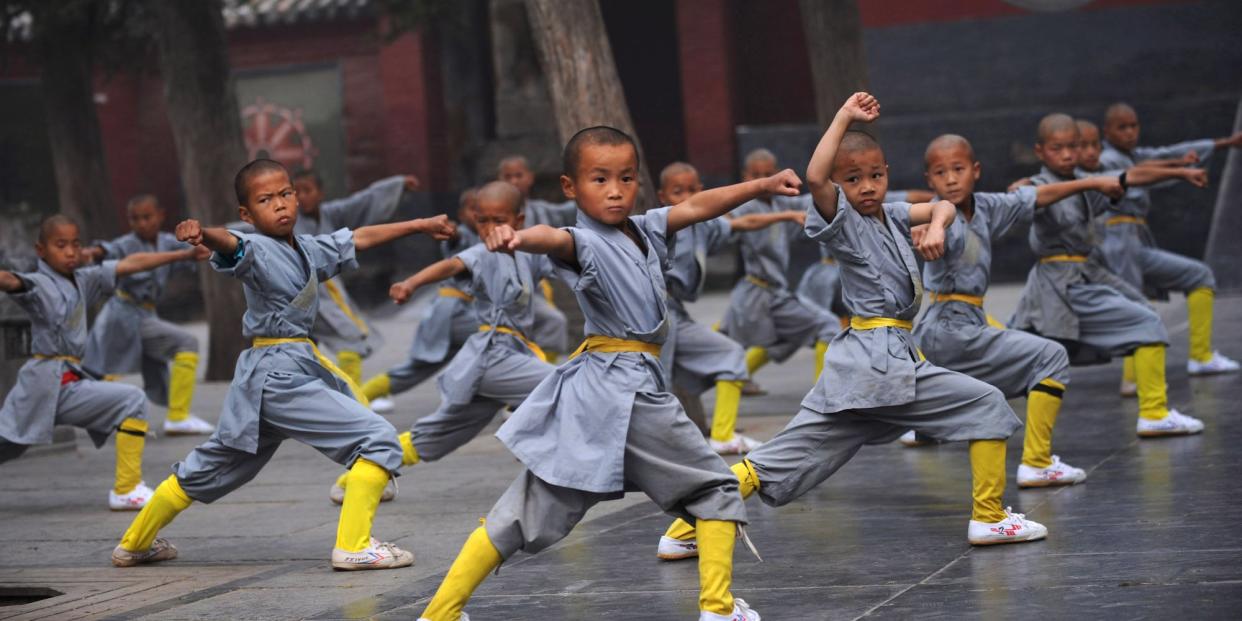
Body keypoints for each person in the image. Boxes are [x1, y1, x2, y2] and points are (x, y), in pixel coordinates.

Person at [415, 127, 804, 621]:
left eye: (625, 177)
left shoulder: (644, 229)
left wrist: (761, 186)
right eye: (600, 179)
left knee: (523, 511)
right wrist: (516, 237)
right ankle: (719, 610)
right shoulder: (583, 241)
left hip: (598, 398)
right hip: (627, 391)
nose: (615, 189)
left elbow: (700, 206)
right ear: (571, 188)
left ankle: (439, 613)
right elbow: (550, 238)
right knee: (716, 490)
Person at [657, 94, 1045, 564]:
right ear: (838, 187)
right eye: (853, 179)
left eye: (876, 176)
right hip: (877, 361)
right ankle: (987, 515)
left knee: (781, 458)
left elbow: (941, 205)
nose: (867, 187)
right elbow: (816, 176)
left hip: (875, 368)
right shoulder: (841, 220)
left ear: (887, 173)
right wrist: (843, 117)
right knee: (985, 402)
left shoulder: (891, 215)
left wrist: (939, 226)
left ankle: (683, 529)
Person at [109, 159, 454, 570]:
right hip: (277, 375)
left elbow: (358, 238)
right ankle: (354, 545)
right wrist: (203, 233)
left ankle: (134, 543)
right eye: (265, 199)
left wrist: (418, 224)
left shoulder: (306, 248)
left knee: (214, 466)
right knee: (378, 437)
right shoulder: (255, 247)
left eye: (286, 194)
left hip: (275, 377)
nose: (280, 205)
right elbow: (231, 244)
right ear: (247, 213)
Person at [908, 133, 1129, 486]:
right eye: (940, 172)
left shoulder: (988, 208)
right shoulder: (937, 218)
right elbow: (924, 229)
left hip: (960, 329)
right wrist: (925, 234)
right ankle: (1037, 462)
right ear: (928, 180)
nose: (950, 179)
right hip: (948, 330)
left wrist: (1094, 182)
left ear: (975, 171)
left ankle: (924, 421)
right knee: (1051, 357)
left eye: (958, 169)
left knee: (985, 389)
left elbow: (1040, 195)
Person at [330, 181, 556, 503]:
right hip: (494, 356)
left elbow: (563, 251)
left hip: (508, 358)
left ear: (519, 220)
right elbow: (452, 265)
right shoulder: (483, 252)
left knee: (440, 435)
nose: (491, 228)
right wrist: (411, 282)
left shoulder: (527, 253)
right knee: (559, 384)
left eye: (500, 219)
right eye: (483, 220)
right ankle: (557, 466)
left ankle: (359, 474)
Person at [1009, 113, 1209, 437]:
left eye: (1072, 147)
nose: (1067, 154)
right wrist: (1024, 188)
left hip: (1085, 275)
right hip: (1058, 285)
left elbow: (1131, 175)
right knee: (1011, 357)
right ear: (1040, 151)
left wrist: (1182, 171)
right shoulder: (1040, 186)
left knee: (1144, 317)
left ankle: (1153, 409)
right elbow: (1025, 196)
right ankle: (1154, 411)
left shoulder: (1084, 185)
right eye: (1057, 148)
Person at [1, 215, 206, 510]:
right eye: (61, 245)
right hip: (43, 383)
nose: (71, 252)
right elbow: (9, 280)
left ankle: (127, 487)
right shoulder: (38, 283)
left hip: (69, 382)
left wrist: (184, 254)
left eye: (75, 244)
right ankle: (126, 490)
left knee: (129, 401)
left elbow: (130, 263)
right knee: (10, 445)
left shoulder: (84, 279)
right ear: (41, 250)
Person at [657, 161, 806, 455]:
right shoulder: (660, 223)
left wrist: (787, 215)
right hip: (653, 311)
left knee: (730, 354)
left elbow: (743, 224)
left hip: (676, 313)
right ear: (662, 196)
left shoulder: (704, 224)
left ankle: (723, 435)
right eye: (677, 192)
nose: (685, 197)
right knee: (655, 383)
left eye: (691, 190)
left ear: (701, 191)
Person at [1093, 103, 1242, 385]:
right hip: (1116, 243)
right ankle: (1133, 378)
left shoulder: (1132, 155)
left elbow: (1166, 153)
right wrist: (1180, 169)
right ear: (1107, 131)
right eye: (1122, 127)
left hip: (1134, 242)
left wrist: (1225, 144)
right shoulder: (1109, 159)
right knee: (1132, 306)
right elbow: (1139, 172)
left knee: (1197, 277)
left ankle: (1199, 356)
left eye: (1133, 126)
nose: (1129, 132)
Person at [82, 194, 214, 435]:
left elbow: (198, 245)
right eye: (135, 219)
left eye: (147, 217)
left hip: (145, 314)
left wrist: (217, 241)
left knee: (117, 370)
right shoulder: (127, 244)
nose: (141, 223)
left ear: (160, 215)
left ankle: (169, 416)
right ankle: (176, 416)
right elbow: (108, 249)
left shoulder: (167, 241)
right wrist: (95, 252)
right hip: (122, 315)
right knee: (185, 343)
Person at [291, 168, 421, 385]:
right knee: (346, 339)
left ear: (320, 193)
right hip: (300, 297)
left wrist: (396, 184)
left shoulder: (332, 214)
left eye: (307, 190)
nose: (302, 197)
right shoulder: (286, 222)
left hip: (328, 294)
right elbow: (250, 231)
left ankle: (348, 398)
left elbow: (362, 201)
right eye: (296, 192)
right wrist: (220, 238)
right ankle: (350, 400)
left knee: (319, 348)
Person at [360, 189, 482, 414]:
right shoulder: (462, 236)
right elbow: (456, 239)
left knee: (417, 369)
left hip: (463, 313)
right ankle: (514, 399)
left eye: (481, 210)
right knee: (496, 339)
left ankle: (363, 395)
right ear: (461, 213)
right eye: (472, 209)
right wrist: (451, 232)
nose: (477, 215)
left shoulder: (489, 236)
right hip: (452, 313)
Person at [719, 149, 835, 385]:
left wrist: (836, 184)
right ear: (745, 176)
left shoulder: (781, 201)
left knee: (804, 331)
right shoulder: (745, 207)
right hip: (755, 293)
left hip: (778, 293)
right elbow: (733, 221)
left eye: (767, 174)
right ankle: (736, 378)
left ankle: (739, 376)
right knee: (724, 352)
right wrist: (786, 216)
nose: (763, 179)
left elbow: (814, 199)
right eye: (756, 175)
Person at [498, 155, 574, 358]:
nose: (514, 181)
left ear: (530, 178)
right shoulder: (493, 212)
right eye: (508, 176)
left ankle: (544, 369)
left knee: (552, 323)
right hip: (502, 286)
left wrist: (587, 189)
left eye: (518, 175)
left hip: (535, 285)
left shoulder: (541, 211)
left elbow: (570, 211)